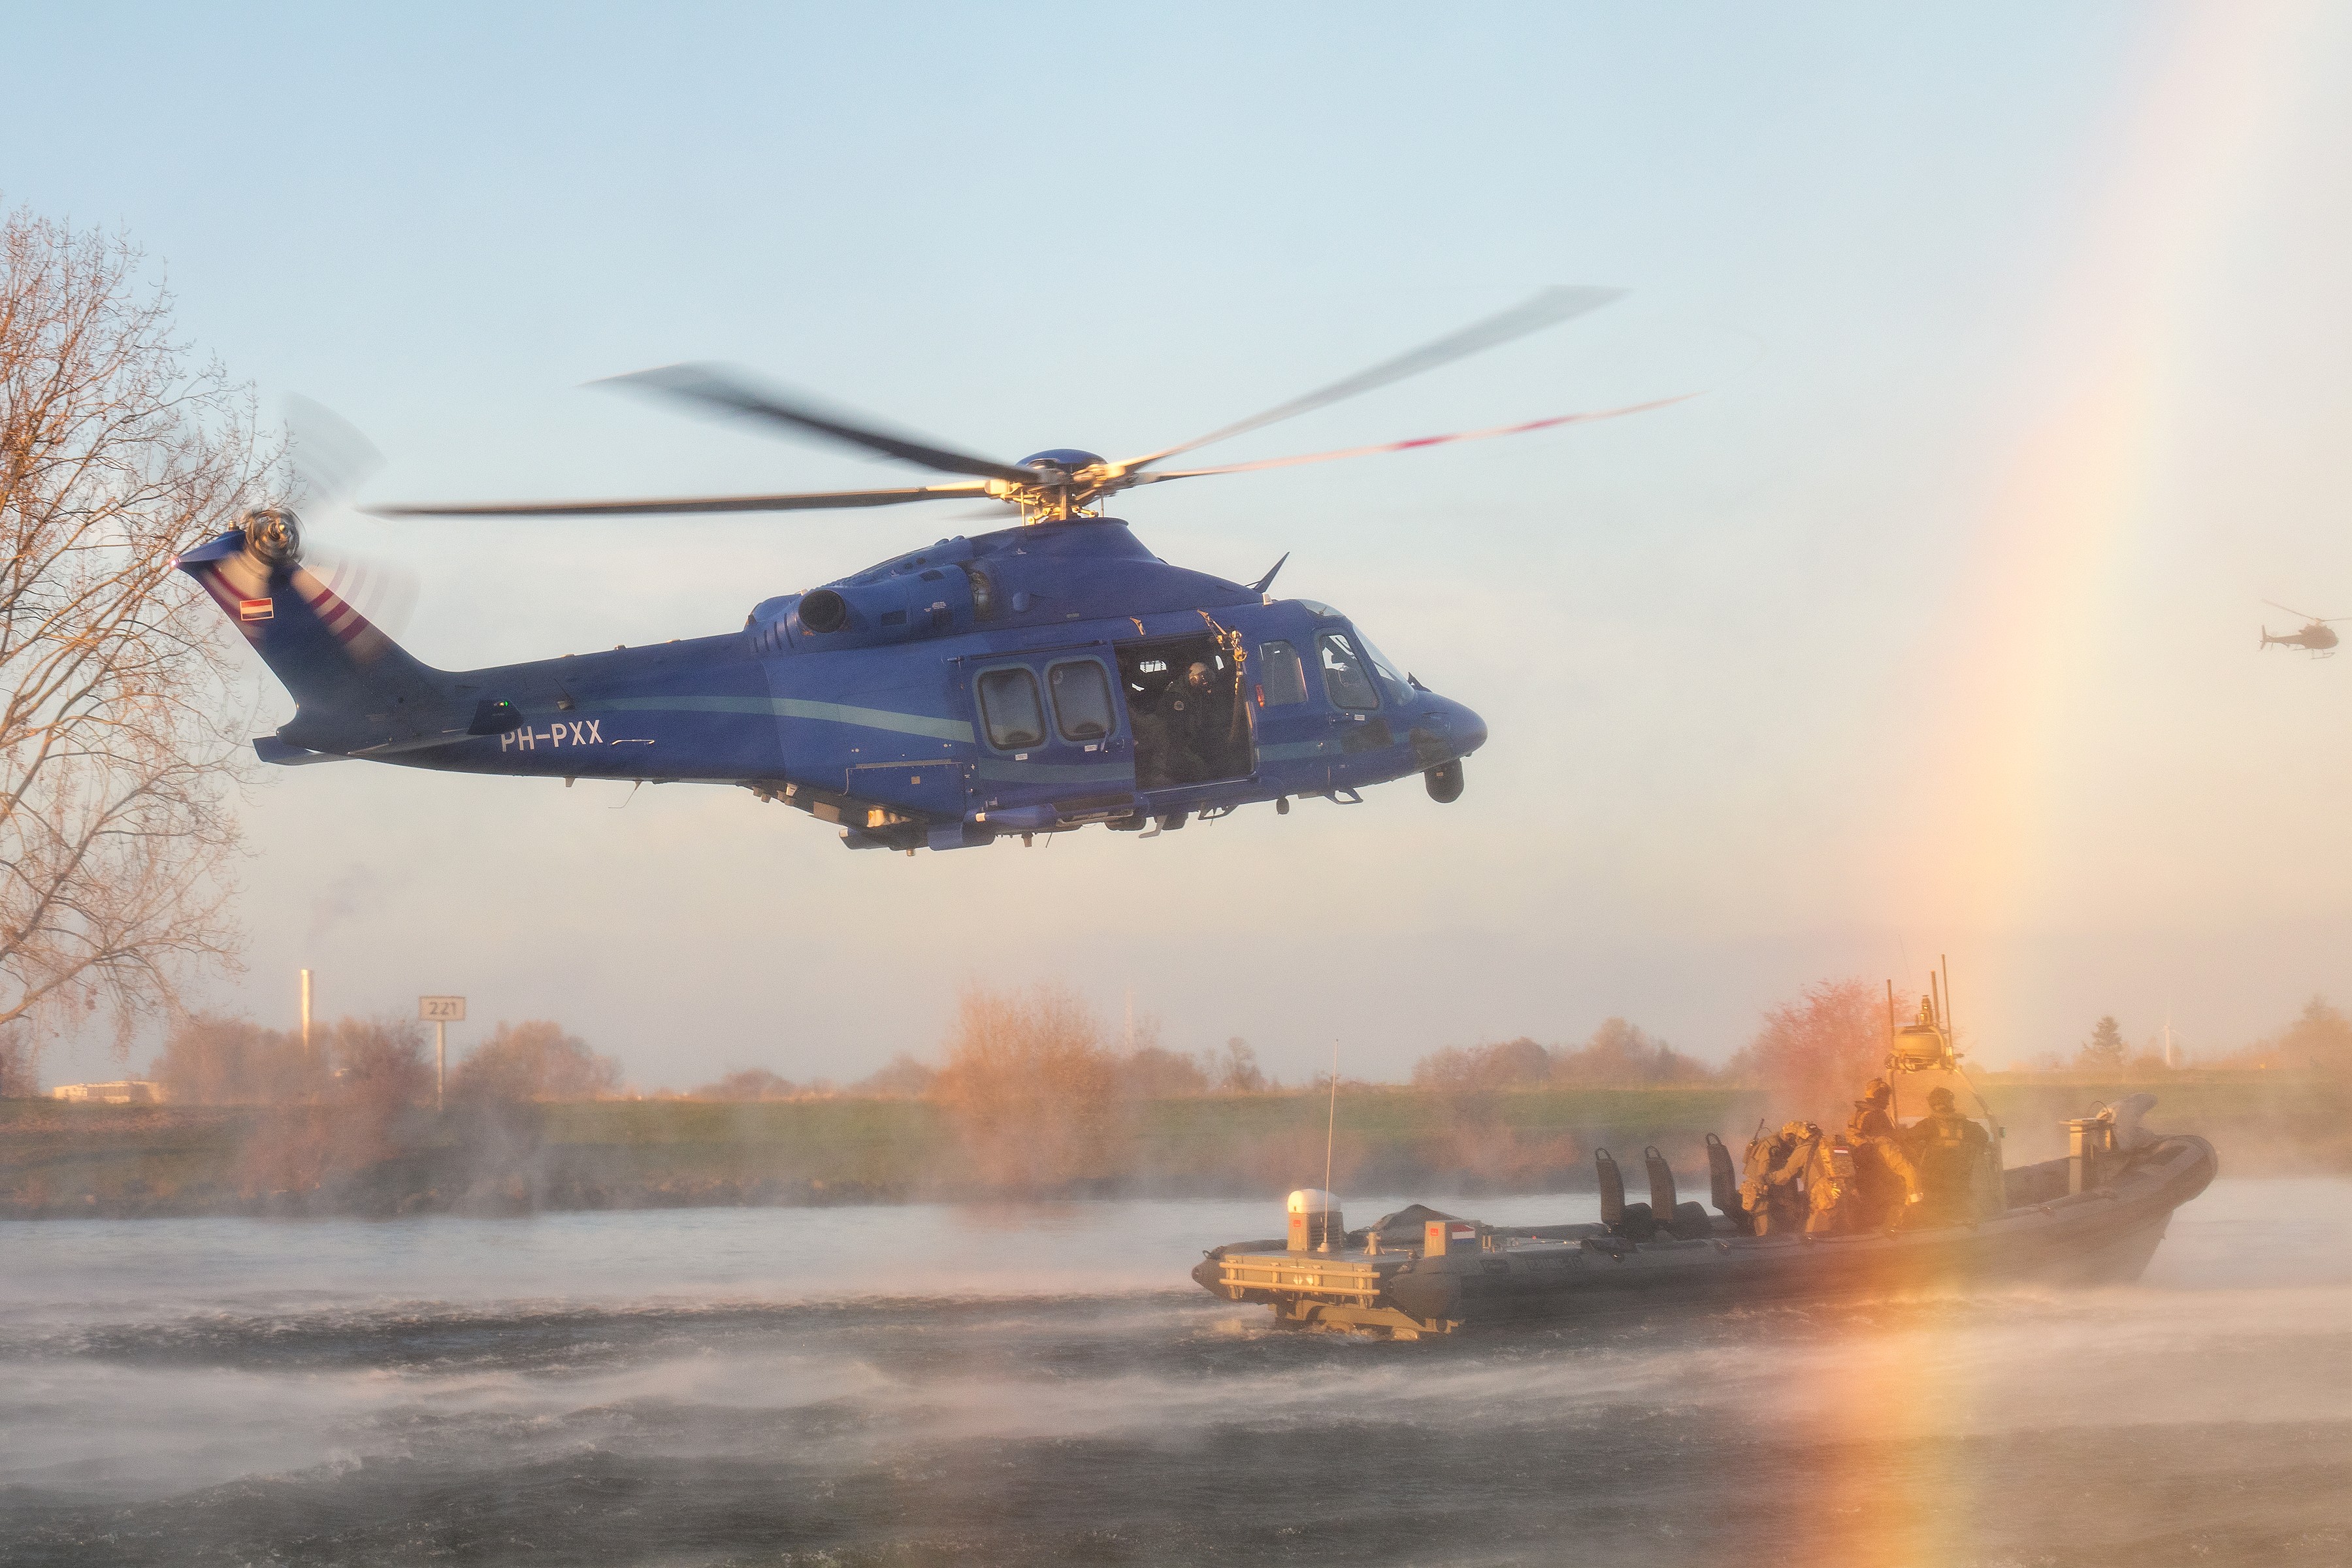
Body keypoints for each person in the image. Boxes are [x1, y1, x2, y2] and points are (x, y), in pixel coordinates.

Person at [1901, 1086, 1989, 1228]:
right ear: (1951, 1103)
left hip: (1933, 1186)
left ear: (1932, 1104)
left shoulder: (1928, 1125)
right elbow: (1984, 1137)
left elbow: (1906, 1139)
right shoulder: (1968, 1126)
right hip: (1960, 1184)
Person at [1844, 1077, 1915, 1230]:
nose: (1888, 1103)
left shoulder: (1857, 1114)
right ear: (1877, 1096)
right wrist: (1906, 1135)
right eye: (1885, 1098)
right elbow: (1889, 1139)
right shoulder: (1877, 1115)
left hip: (1861, 1165)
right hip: (1878, 1164)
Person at [1739, 1121, 1815, 1235]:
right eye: (1796, 1138)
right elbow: (1763, 1175)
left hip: (1771, 1191)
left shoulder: (1783, 1146)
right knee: (1766, 1232)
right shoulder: (1771, 1146)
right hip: (1760, 1193)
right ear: (1790, 1136)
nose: (1798, 1142)